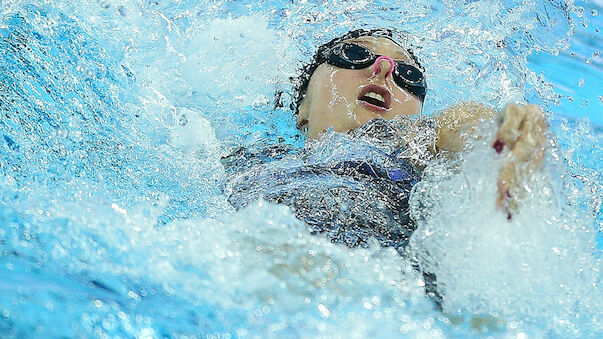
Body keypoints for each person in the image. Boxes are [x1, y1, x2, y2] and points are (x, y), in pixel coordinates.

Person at [222, 28, 547, 307]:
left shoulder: (413, 143)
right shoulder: (248, 160)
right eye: (353, 54)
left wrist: (501, 135)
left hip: (386, 292)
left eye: (410, 77)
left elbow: (462, 126)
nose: (384, 69)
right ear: (303, 105)